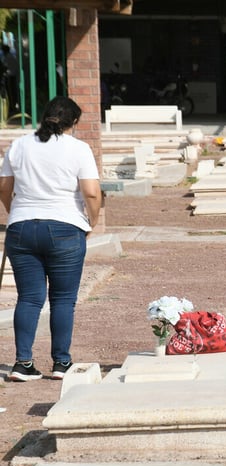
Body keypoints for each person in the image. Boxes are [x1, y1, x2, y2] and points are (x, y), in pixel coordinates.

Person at [0, 96, 102, 382]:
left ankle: (23, 363)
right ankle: (61, 362)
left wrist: (15, 212)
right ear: (75, 122)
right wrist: (91, 221)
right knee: (63, 299)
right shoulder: (79, 148)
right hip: (65, 226)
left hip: (21, 227)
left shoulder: (19, 144)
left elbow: (4, 187)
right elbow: (92, 193)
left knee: (29, 298)